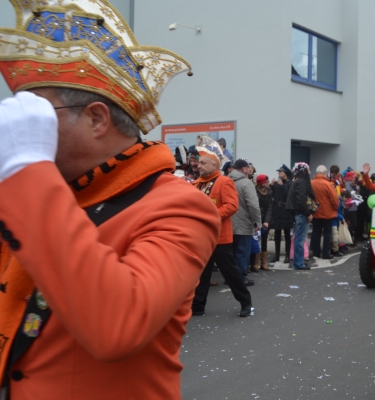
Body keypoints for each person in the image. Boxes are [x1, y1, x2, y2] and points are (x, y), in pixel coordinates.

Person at [0, 1, 222, 398]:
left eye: (38, 115)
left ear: (97, 119)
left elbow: (118, 327)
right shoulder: (39, 189)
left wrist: (28, 170)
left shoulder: (180, 206)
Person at [191, 138, 253, 317]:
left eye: (203, 163)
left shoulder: (224, 181)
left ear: (214, 165)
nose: (198, 165)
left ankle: (245, 302)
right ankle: (198, 306)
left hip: (220, 238)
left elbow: (232, 206)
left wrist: (210, 216)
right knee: (201, 274)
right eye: (199, 162)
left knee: (230, 273)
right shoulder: (197, 183)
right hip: (202, 238)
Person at [230, 159, 261, 286]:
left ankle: (230, 277)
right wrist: (257, 221)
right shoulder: (246, 183)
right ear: (244, 169)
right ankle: (240, 278)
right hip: (243, 222)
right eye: (248, 168)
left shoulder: (226, 181)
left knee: (231, 252)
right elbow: (253, 205)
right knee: (242, 252)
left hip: (228, 223)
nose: (250, 170)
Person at [286, 162, 315, 270]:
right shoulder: (302, 182)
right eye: (307, 170)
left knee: (298, 238)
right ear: (303, 171)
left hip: (298, 214)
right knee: (300, 239)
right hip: (301, 214)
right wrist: (308, 213)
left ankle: (298, 262)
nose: (309, 173)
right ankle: (298, 263)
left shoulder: (296, 181)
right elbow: (300, 201)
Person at [310, 165, 339, 260]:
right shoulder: (328, 184)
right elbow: (334, 199)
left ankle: (316, 252)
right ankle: (326, 253)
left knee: (316, 232)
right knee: (327, 233)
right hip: (327, 213)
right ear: (325, 173)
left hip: (315, 212)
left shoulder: (311, 183)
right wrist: (336, 208)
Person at [269, 164, 294, 264]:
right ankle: (277, 254)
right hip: (277, 210)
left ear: (285, 173)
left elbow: (289, 196)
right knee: (277, 233)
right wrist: (271, 186)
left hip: (286, 210)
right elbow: (271, 194)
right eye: (278, 172)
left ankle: (287, 255)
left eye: (280, 172)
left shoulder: (290, 183)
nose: (279, 173)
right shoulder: (276, 183)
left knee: (287, 234)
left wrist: (282, 186)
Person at [255, 174, 273, 271]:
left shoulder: (269, 192)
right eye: (267, 181)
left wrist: (266, 220)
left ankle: (263, 263)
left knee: (264, 240)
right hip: (256, 218)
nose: (268, 183)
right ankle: (255, 263)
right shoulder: (254, 192)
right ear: (262, 183)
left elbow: (269, 207)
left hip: (265, 218)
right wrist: (256, 220)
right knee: (255, 240)